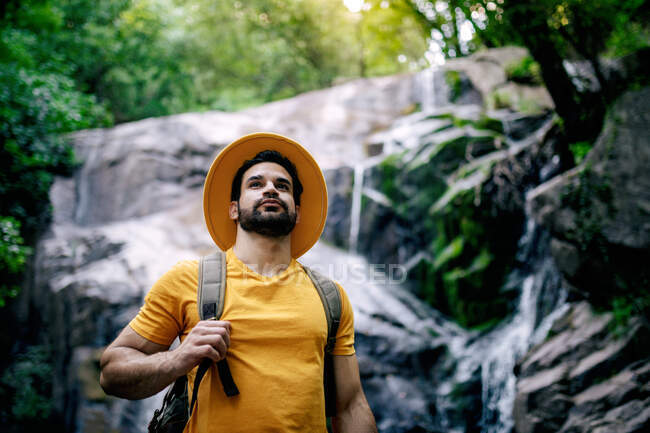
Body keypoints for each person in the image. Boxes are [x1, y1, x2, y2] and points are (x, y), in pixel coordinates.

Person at [99, 132, 377, 433]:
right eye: (256, 184)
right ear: (234, 208)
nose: (271, 189)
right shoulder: (187, 279)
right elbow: (112, 372)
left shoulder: (330, 297)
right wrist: (179, 358)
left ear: (297, 212)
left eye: (282, 186)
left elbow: (351, 406)